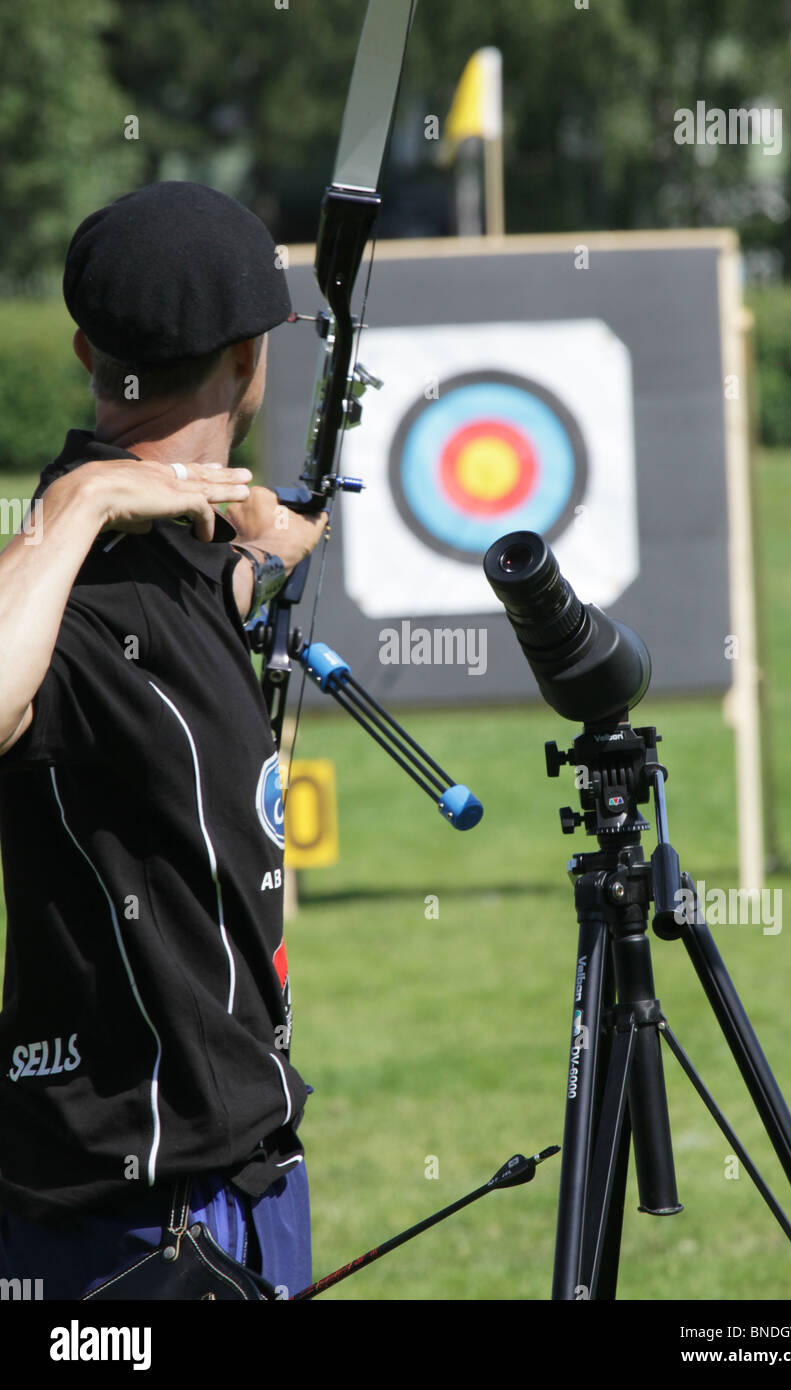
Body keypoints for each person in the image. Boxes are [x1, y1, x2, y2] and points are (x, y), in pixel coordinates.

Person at [0, 181, 328, 1299]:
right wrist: (81, 501)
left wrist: (259, 553)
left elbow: (169, 672)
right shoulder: (68, 586)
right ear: (251, 358)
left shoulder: (178, 561)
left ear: (88, 348)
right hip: (131, 1227)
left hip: (248, 1182)